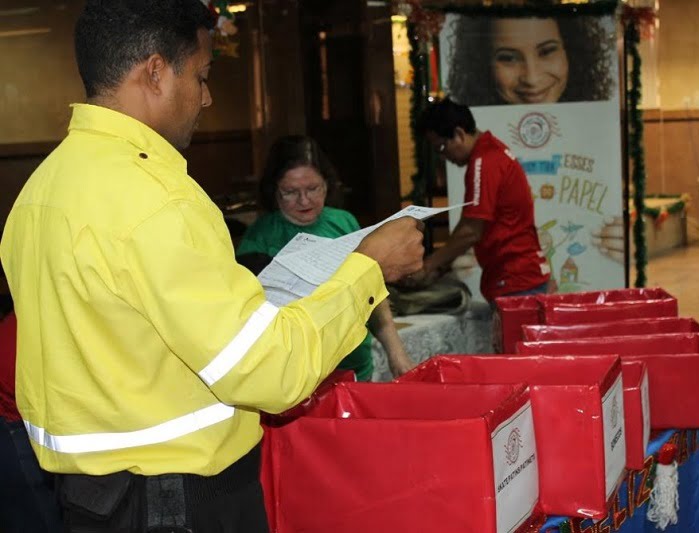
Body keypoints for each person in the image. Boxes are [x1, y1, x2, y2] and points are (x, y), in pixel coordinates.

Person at [0, 1, 423, 531]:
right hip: (176, 503)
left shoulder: (41, 189)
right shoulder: (156, 198)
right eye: (200, 76)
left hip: (90, 502)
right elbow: (272, 372)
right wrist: (368, 268)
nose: (207, 96)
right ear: (155, 72)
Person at [237, 136, 415, 380]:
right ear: (274, 191)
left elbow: (372, 291)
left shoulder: (343, 221)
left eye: (313, 189)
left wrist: (396, 353)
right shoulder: (259, 239)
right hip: (300, 374)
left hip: (356, 364)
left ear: (328, 186)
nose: (304, 201)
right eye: (290, 192)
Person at [410, 97, 551, 301]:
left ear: (459, 134)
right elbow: (470, 225)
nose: (442, 156)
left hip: (515, 279)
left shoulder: (484, 162)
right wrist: (441, 265)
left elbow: (470, 231)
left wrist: (428, 266)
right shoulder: (492, 151)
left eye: (441, 147)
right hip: (520, 276)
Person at [0, 266, 63, 532]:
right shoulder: (34, 322)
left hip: (19, 423)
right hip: (13, 429)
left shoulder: (27, 314)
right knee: (37, 519)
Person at [447, 15, 615, 107]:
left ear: (572, 53)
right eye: (508, 58)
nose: (531, 78)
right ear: (482, 63)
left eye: (547, 51)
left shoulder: (597, 129)